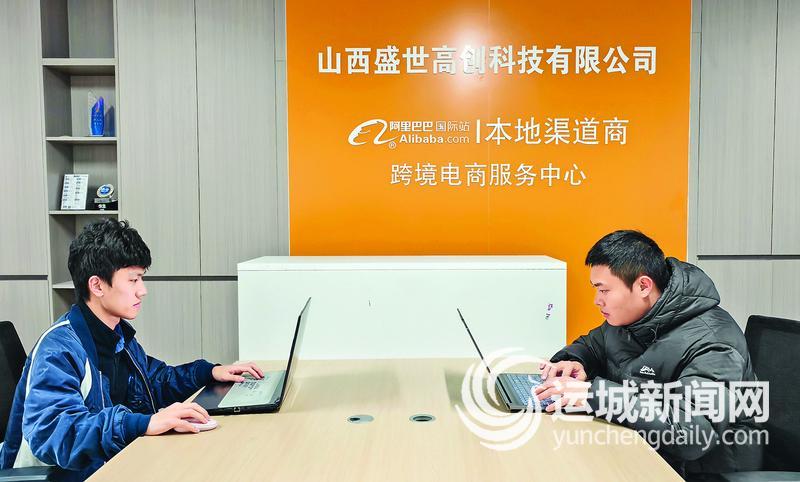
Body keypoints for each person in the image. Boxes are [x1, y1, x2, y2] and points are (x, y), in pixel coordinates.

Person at [0, 219, 264, 479]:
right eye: (133, 280)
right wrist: (141, 423)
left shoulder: (118, 336)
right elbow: (57, 433)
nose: (142, 290)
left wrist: (210, 373)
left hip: (115, 464)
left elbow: (155, 381)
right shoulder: (58, 350)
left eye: (141, 278)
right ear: (97, 285)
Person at [534, 230, 762, 479]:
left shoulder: (714, 342)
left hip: (700, 471)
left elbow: (692, 434)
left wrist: (595, 394)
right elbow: (591, 346)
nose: (597, 301)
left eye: (604, 290)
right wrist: (574, 361)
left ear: (643, 286)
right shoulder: (631, 317)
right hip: (640, 448)